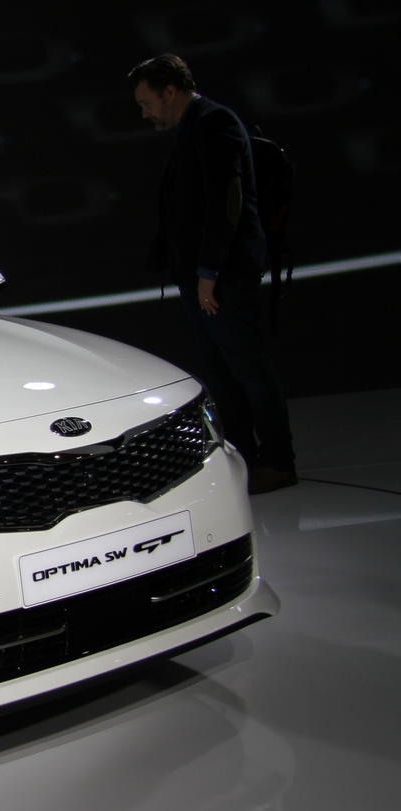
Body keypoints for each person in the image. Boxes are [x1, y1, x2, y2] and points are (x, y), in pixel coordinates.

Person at [128, 54, 296, 494]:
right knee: (223, 372)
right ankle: (245, 458)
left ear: (170, 91)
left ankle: (278, 461)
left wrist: (209, 273)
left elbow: (226, 204)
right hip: (204, 275)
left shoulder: (214, 123)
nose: (144, 113)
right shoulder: (195, 127)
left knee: (248, 368)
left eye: (147, 102)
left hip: (222, 277)